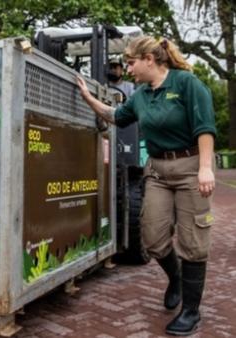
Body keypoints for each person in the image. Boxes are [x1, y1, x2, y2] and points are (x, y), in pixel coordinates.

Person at [77, 36, 216, 336]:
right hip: (158, 171)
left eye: (130, 63)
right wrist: (89, 99)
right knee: (152, 239)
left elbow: (205, 127)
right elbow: (116, 116)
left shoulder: (186, 84)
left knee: (193, 242)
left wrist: (206, 168)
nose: (127, 70)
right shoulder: (140, 95)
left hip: (192, 168)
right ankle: (175, 277)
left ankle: (191, 311)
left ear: (149, 60)